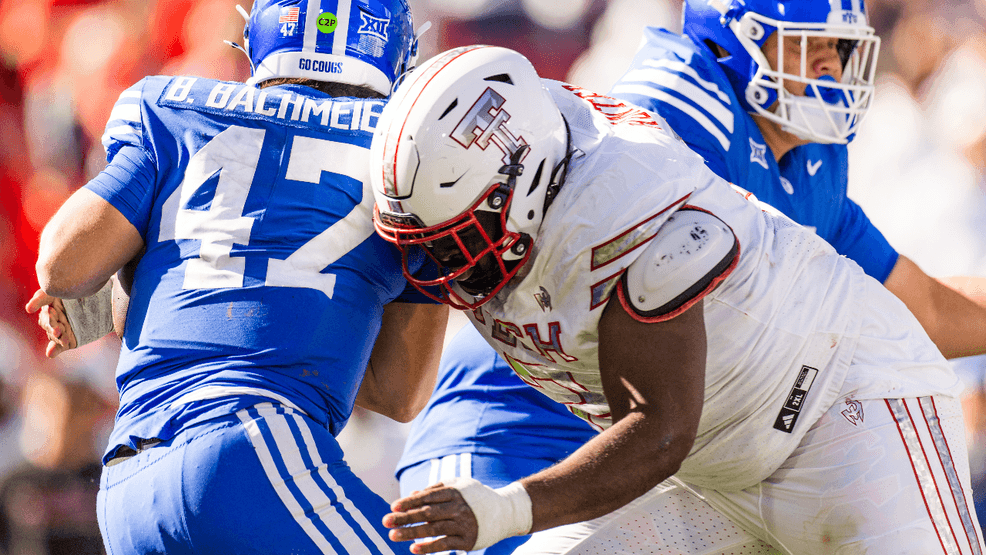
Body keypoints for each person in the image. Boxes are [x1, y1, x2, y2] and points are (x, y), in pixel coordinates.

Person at [369, 44, 984, 554]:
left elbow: (659, 431)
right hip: (715, 473)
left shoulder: (626, 210)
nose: (439, 268)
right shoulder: (517, 159)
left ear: (524, 183)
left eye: (456, 240)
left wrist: (505, 509)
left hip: (845, 416)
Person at [25, 0, 449, 553]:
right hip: (250, 449)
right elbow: (400, 393)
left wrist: (140, 275)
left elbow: (61, 265)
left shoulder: (172, 107)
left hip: (128, 485)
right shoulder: (405, 152)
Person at [608, 0, 986, 360]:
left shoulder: (810, 154)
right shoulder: (680, 114)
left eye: (837, 46)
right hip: (583, 413)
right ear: (732, 43)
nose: (831, 68)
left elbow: (923, 312)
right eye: (805, 44)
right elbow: (691, 329)